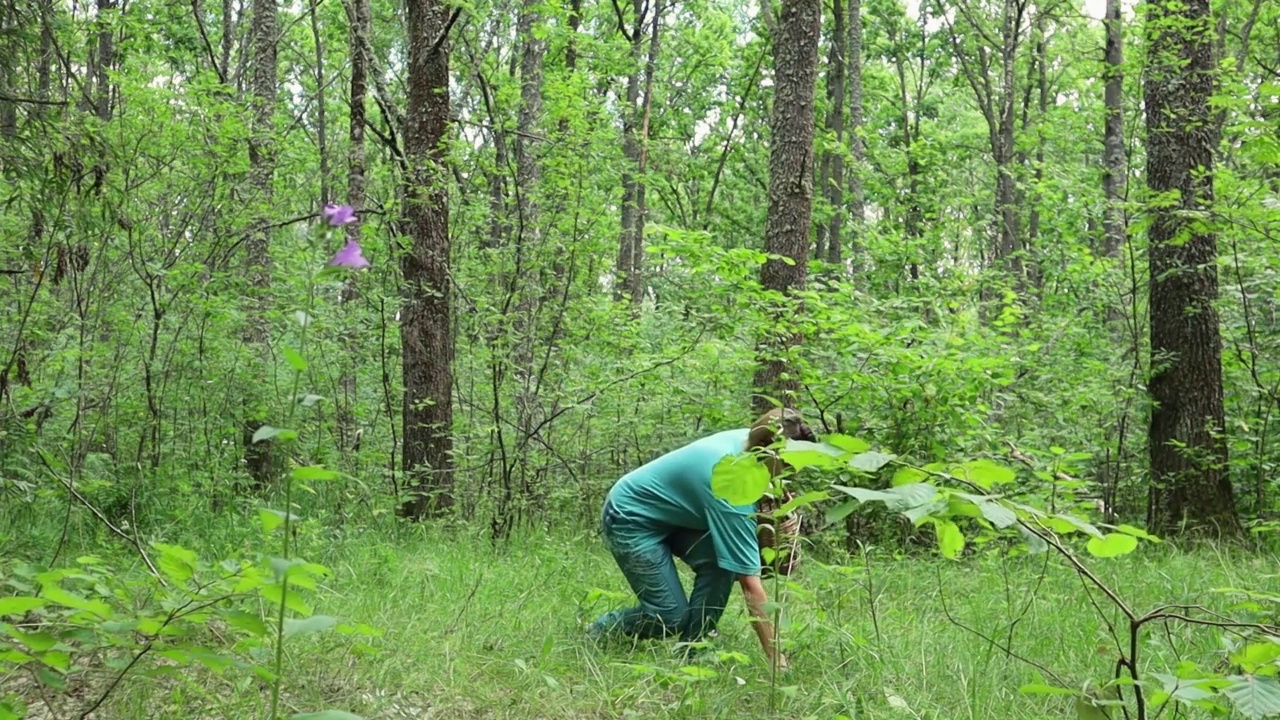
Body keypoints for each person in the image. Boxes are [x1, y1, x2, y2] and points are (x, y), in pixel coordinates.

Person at [587, 408, 815, 670]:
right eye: (787, 464)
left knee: (721, 564)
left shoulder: (753, 439)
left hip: (679, 514)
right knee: (669, 617)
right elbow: (751, 588)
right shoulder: (731, 491)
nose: (791, 472)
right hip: (630, 516)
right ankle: (599, 630)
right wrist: (778, 661)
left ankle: (693, 652)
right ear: (766, 451)